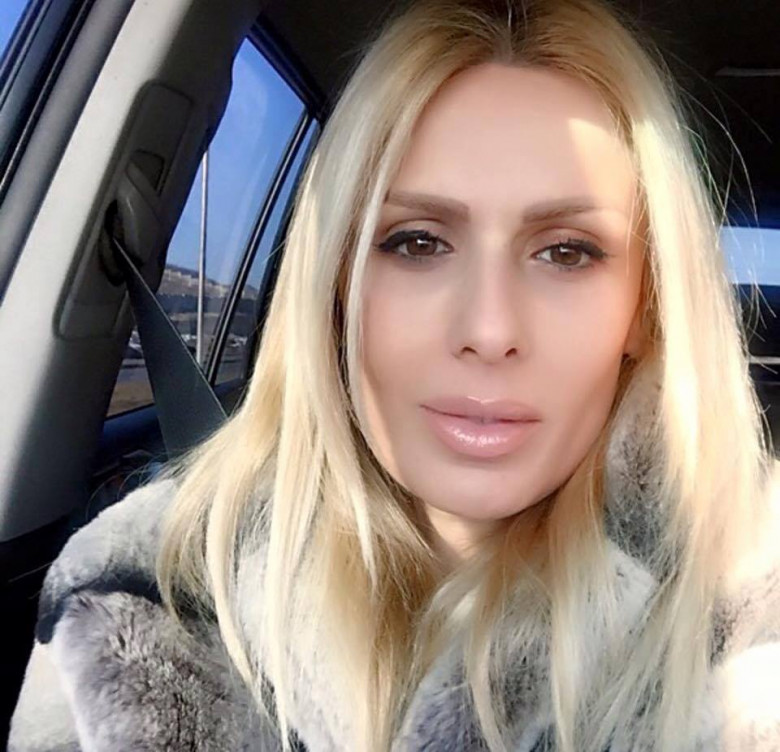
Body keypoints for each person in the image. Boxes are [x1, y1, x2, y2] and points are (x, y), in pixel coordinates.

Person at [9, 0, 780, 749]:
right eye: (416, 242)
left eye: (566, 251)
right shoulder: (137, 608)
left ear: (645, 307)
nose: (489, 331)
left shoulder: (747, 597)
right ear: (337, 283)